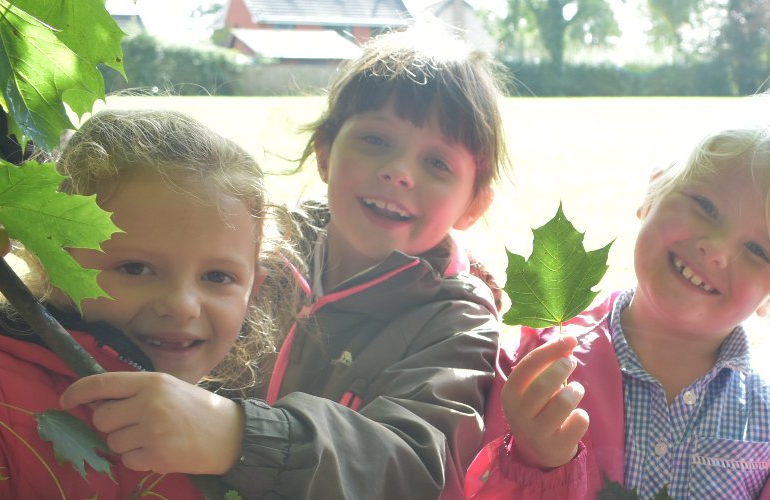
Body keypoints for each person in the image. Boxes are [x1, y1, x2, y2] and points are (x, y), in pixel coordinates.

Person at [60, 25, 511, 498]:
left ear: (473, 204)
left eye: (437, 163)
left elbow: (418, 467)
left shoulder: (457, 322)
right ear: (324, 151)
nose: (398, 172)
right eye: (377, 140)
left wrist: (238, 436)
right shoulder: (253, 251)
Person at [0, 108, 293, 499]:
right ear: (49, 261)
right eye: (135, 269)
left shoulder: (222, 427)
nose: (182, 306)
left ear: (253, 289)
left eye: (218, 277)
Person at [464, 91, 770, 499]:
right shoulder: (539, 365)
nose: (716, 250)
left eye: (757, 251)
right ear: (654, 192)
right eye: (704, 205)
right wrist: (533, 461)